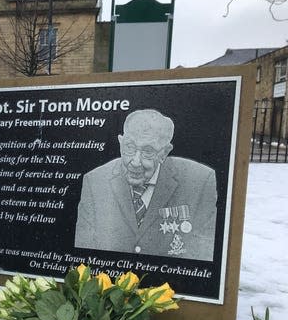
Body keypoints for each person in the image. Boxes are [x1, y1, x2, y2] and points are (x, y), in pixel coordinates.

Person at [74, 109, 217, 261]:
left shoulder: (199, 181)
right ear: (120, 143)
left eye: (147, 151)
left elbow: (202, 255)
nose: (135, 162)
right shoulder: (95, 181)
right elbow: (84, 257)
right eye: (129, 147)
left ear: (164, 153)